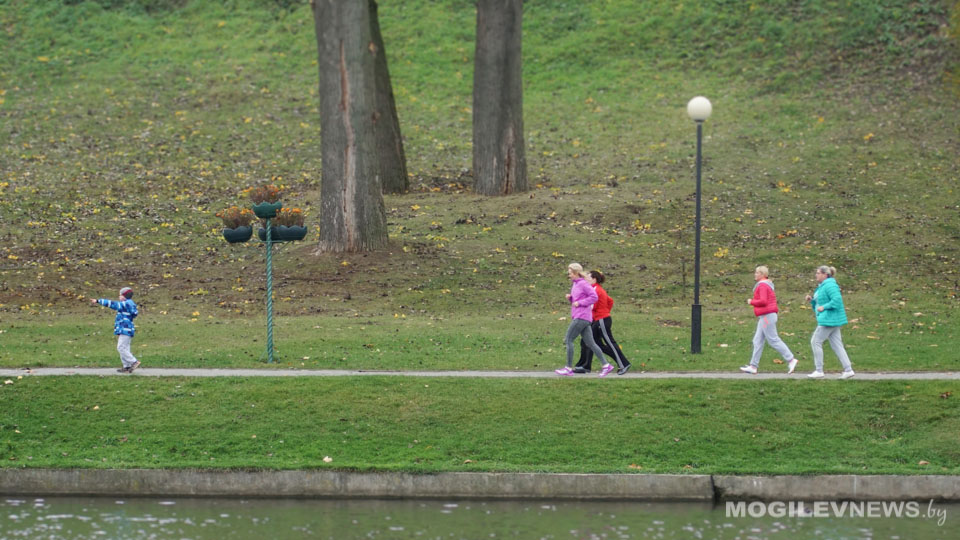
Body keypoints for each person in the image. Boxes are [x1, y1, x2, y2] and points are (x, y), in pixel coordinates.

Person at [555, 263, 616, 377]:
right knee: (591, 343)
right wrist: (571, 299)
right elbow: (577, 301)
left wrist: (580, 303)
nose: (569, 275)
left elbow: (594, 297)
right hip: (582, 316)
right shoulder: (575, 284)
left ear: (575, 273)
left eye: (570, 273)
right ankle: (606, 365)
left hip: (581, 317)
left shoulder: (583, 284)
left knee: (568, 339)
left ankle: (568, 368)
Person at [739, 266, 799, 375]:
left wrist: (751, 301)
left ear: (762, 274)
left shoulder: (762, 285)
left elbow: (763, 301)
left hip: (767, 316)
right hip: (765, 316)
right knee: (757, 340)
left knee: (773, 339)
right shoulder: (766, 285)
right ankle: (753, 366)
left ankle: (791, 359)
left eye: (757, 272)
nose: (755, 274)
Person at [573, 270, 631, 375]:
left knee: (610, 343)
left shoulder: (595, 289)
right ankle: (585, 366)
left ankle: (624, 364)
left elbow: (591, 306)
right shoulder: (597, 289)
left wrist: (602, 313)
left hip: (602, 321)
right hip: (599, 319)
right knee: (590, 342)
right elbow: (610, 301)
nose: (586, 280)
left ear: (594, 279)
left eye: (588, 278)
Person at [805, 265, 854, 379]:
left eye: (818, 273)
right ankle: (848, 369)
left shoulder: (830, 285)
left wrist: (825, 307)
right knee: (837, 345)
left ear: (825, 275)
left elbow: (837, 301)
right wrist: (812, 301)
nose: (816, 275)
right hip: (831, 319)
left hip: (829, 320)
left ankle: (819, 370)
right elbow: (819, 303)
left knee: (815, 341)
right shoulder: (823, 286)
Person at [90, 287, 140, 373]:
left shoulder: (126, 304)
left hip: (125, 329)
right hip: (126, 329)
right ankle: (127, 366)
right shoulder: (127, 305)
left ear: (125, 296)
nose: (119, 296)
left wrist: (99, 301)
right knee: (125, 348)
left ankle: (133, 362)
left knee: (120, 347)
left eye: (120, 295)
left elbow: (113, 304)